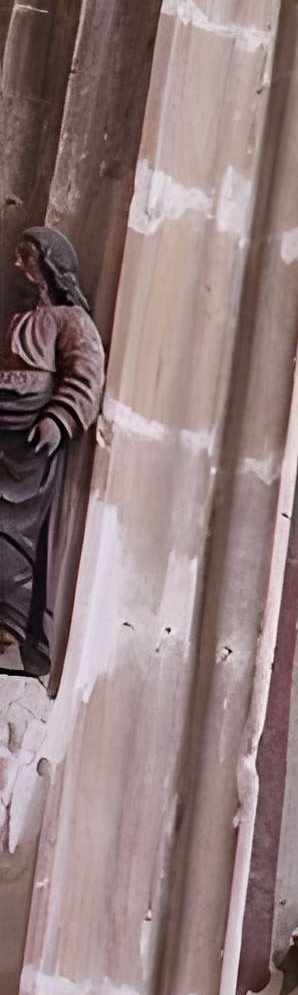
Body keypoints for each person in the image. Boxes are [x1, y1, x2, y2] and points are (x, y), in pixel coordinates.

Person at [0, 228, 105, 679]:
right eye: (19, 260)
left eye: (28, 260)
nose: (20, 270)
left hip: (31, 446)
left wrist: (59, 418)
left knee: (13, 528)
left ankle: (10, 623)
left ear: (51, 270)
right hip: (4, 433)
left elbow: (85, 374)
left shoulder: (70, 321)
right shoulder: (17, 321)